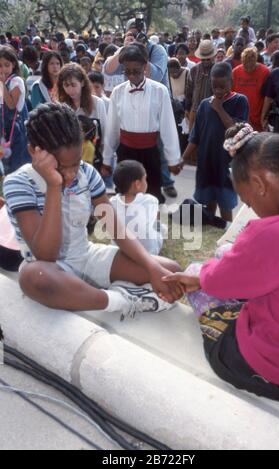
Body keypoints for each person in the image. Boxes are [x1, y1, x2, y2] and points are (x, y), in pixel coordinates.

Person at [3, 103, 182, 318]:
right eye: (60, 167)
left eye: (75, 164)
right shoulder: (18, 183)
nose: (70, 174)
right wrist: (53, 185)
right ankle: (120, 300)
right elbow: (45, 254)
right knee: (35, 277)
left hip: (86, 256)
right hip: (51, 268)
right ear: (35, 151)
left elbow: (115, 228)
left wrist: (151, 267)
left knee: (170, 271)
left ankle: (111, 292)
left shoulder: (87, 174)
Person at [162, 122, 279, 402]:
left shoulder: (269, 235)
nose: (250, 209)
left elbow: (217, 282)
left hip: (276, 370)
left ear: (259, 185)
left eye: (247, 201)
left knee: (203, 271)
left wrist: (199, 277)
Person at [102, 44, 181, 203]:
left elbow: (168, 127)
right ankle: (125, 226)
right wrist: (106, 159)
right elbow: (112, 129)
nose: (132, 76)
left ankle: (149, 225)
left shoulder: (160, 91)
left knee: (151, 195)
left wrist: (173, 159)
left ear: (145, 67)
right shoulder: (117, 92)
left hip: (150, 152)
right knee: (125, 195)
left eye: (136, 71)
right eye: (127, 71)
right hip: (126, 153)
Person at [182, 62, 249, 222]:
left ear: (231, 82)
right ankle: (210, 225)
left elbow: (237, 130)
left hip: (226, 163)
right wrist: (183, 158)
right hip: (206, 162)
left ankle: (226, 234)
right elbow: (195, 136)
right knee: (207, 201)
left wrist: (219, 108)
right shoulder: (205, 105)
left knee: (225, 203)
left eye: (222, 86)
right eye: (214, 86)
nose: (218, 90)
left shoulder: (240, 101)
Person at [110, 160, 164, 255]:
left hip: (119, 251)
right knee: (161, 227)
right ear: (137, 184)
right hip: (148, 253)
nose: (146, 182)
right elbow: (156, 220)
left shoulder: (111, 202)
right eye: (145, 179)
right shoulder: (151, 200)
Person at [57, 63, 107, 150]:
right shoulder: (60, 106)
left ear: (82, 83)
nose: (70, 90)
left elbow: (104, 132)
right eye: (66, 85)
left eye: (73, 85)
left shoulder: (97, 103)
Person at [0, 46, 31, 174]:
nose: (3, 69)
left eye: (6, 65)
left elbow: (11, 105)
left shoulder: (16, 81)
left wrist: (2, 84)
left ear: (13, 64)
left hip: (16, 129)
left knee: (17, 165)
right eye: (0, 66)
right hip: (4, 128)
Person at [232, 47, 270, 131]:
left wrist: (264, 116)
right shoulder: (235, 72)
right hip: (239, 118)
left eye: (251, 66)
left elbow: (268, 97)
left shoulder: (265, 72)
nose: (248, 68)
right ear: (242, 61)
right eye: (245, 65)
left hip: (257, 118)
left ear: (255, 61)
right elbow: (231, 95)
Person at [185, 40, 217, 132]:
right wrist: (187, 108)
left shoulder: (218, 70)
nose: (206, 61)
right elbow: (189, 91)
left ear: (213, 56)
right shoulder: (194, 70)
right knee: (193, 140)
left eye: (208, 58)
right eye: (203, 59)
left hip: (213, 112)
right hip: (195, 111)